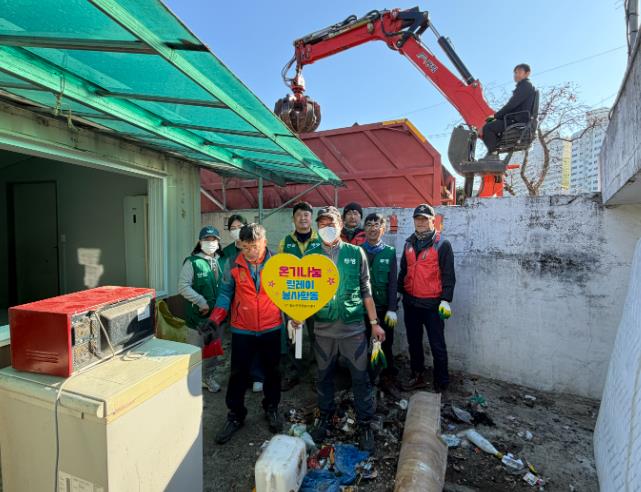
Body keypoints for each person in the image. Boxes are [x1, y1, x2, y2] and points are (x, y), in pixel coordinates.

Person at [307, 206, 385, 452]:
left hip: (353, 330)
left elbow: (366, 290)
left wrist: (374, 323)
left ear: (341, 225)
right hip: (323, 330)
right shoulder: (310, 256)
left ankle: (364, 424)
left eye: (331, 223)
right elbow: (302, 293)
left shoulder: (356, 253)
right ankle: (324, 418)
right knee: (323, 377)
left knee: (361, 378)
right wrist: (296, 317)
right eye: (322, 224)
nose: (326, 228)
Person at [210, 223, 283, 444]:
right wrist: (215, 318)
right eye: (246, 247)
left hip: (271, 326)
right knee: (238, 374)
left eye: (255, 247)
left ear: (264, 242)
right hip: (242, 328)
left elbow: (289, 292)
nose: (250, 252)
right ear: (240, 245)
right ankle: (235, 414)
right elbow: (225, 293)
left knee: (273, 371)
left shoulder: (278, 263)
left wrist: (294, 318)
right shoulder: (232, 263)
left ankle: (271, 407)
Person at [398, 204, 455, 393]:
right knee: (414, 343)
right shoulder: (408, 243)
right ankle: (417, 376)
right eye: (418, 219)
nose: (421, 222)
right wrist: (398, 293)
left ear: (433, 221)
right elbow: (404, 271)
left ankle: (442, 382)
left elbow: (448, 275)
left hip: (432, 305)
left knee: (437, 345)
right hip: (411, 303)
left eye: (425, 219)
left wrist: (446, 299)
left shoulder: (442, 244)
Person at [277, 201, 322, 391]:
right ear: (293, 219)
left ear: (311, 218)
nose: (303, 218)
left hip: (316, 298)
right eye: (299, 215)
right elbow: (279, 270)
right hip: (293, 299)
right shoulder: (285, 242)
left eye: (306, 215)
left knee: (317, 336)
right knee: (294, 336)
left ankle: (315, 373)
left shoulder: (321, 241)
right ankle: (293, 371)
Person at [178, 226, 224, 393]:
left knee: (212, 351)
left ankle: (208, 377)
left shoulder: (220, 261)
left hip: (216, 317)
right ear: (200, 242)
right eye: (206, 239)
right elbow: (183, 286)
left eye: (214, 239)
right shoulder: (192, 262)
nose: (210, 242)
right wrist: (201, 301)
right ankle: (192, 380)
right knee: (195, 351)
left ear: (218, 242)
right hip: (197, 317)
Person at [222, 214, 264, 393]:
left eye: (239, 227)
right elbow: (225, 289)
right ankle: (243, 378)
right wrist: (218, 315)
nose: (236, 231)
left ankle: (258, 376)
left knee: (259, 346)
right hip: (239, 311)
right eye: (232, 228)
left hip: (263, 316)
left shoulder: (270, 259)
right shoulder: (230, 257)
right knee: (240, 350)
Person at [361, 213, 399, 395]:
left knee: (385, 343)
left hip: (383, 308)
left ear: (383, 229)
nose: (372, 228)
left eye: (376, 225)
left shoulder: (390, 252)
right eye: (369, 224)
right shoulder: (357, 251)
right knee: (362, 344)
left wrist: (392, 308)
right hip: (362, 309)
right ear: (364, 229)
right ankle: (364, 378)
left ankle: (387, 376)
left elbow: (393, 283)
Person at [482, 63, 536, 155]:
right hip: (516, 119)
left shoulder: (525, 86)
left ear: (527, 73)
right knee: (491, 125)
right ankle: (494, 152)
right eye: (515, 73)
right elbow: (511, 107)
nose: (516, 75)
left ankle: (493, 155)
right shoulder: (524, 87)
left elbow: (510, 106)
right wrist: (494, 118)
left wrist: (491, 118)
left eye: (519, 72)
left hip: (517, 121)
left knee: (488, 127)